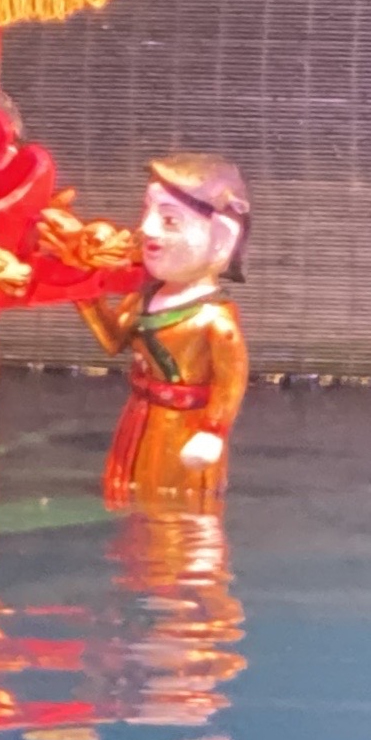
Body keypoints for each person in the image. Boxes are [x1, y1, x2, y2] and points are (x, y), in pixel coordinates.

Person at [78, 153, 251, 509]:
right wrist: (85, 294)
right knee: (129, 495)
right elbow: (114, 341)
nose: (148, 229)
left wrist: (213, 431)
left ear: (221, 237)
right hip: (139, 419)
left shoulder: (215, 321)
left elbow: (230, 382)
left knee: (176, 506)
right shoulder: (144, 297)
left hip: (184, 426)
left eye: (169, 220)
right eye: (147, 212)